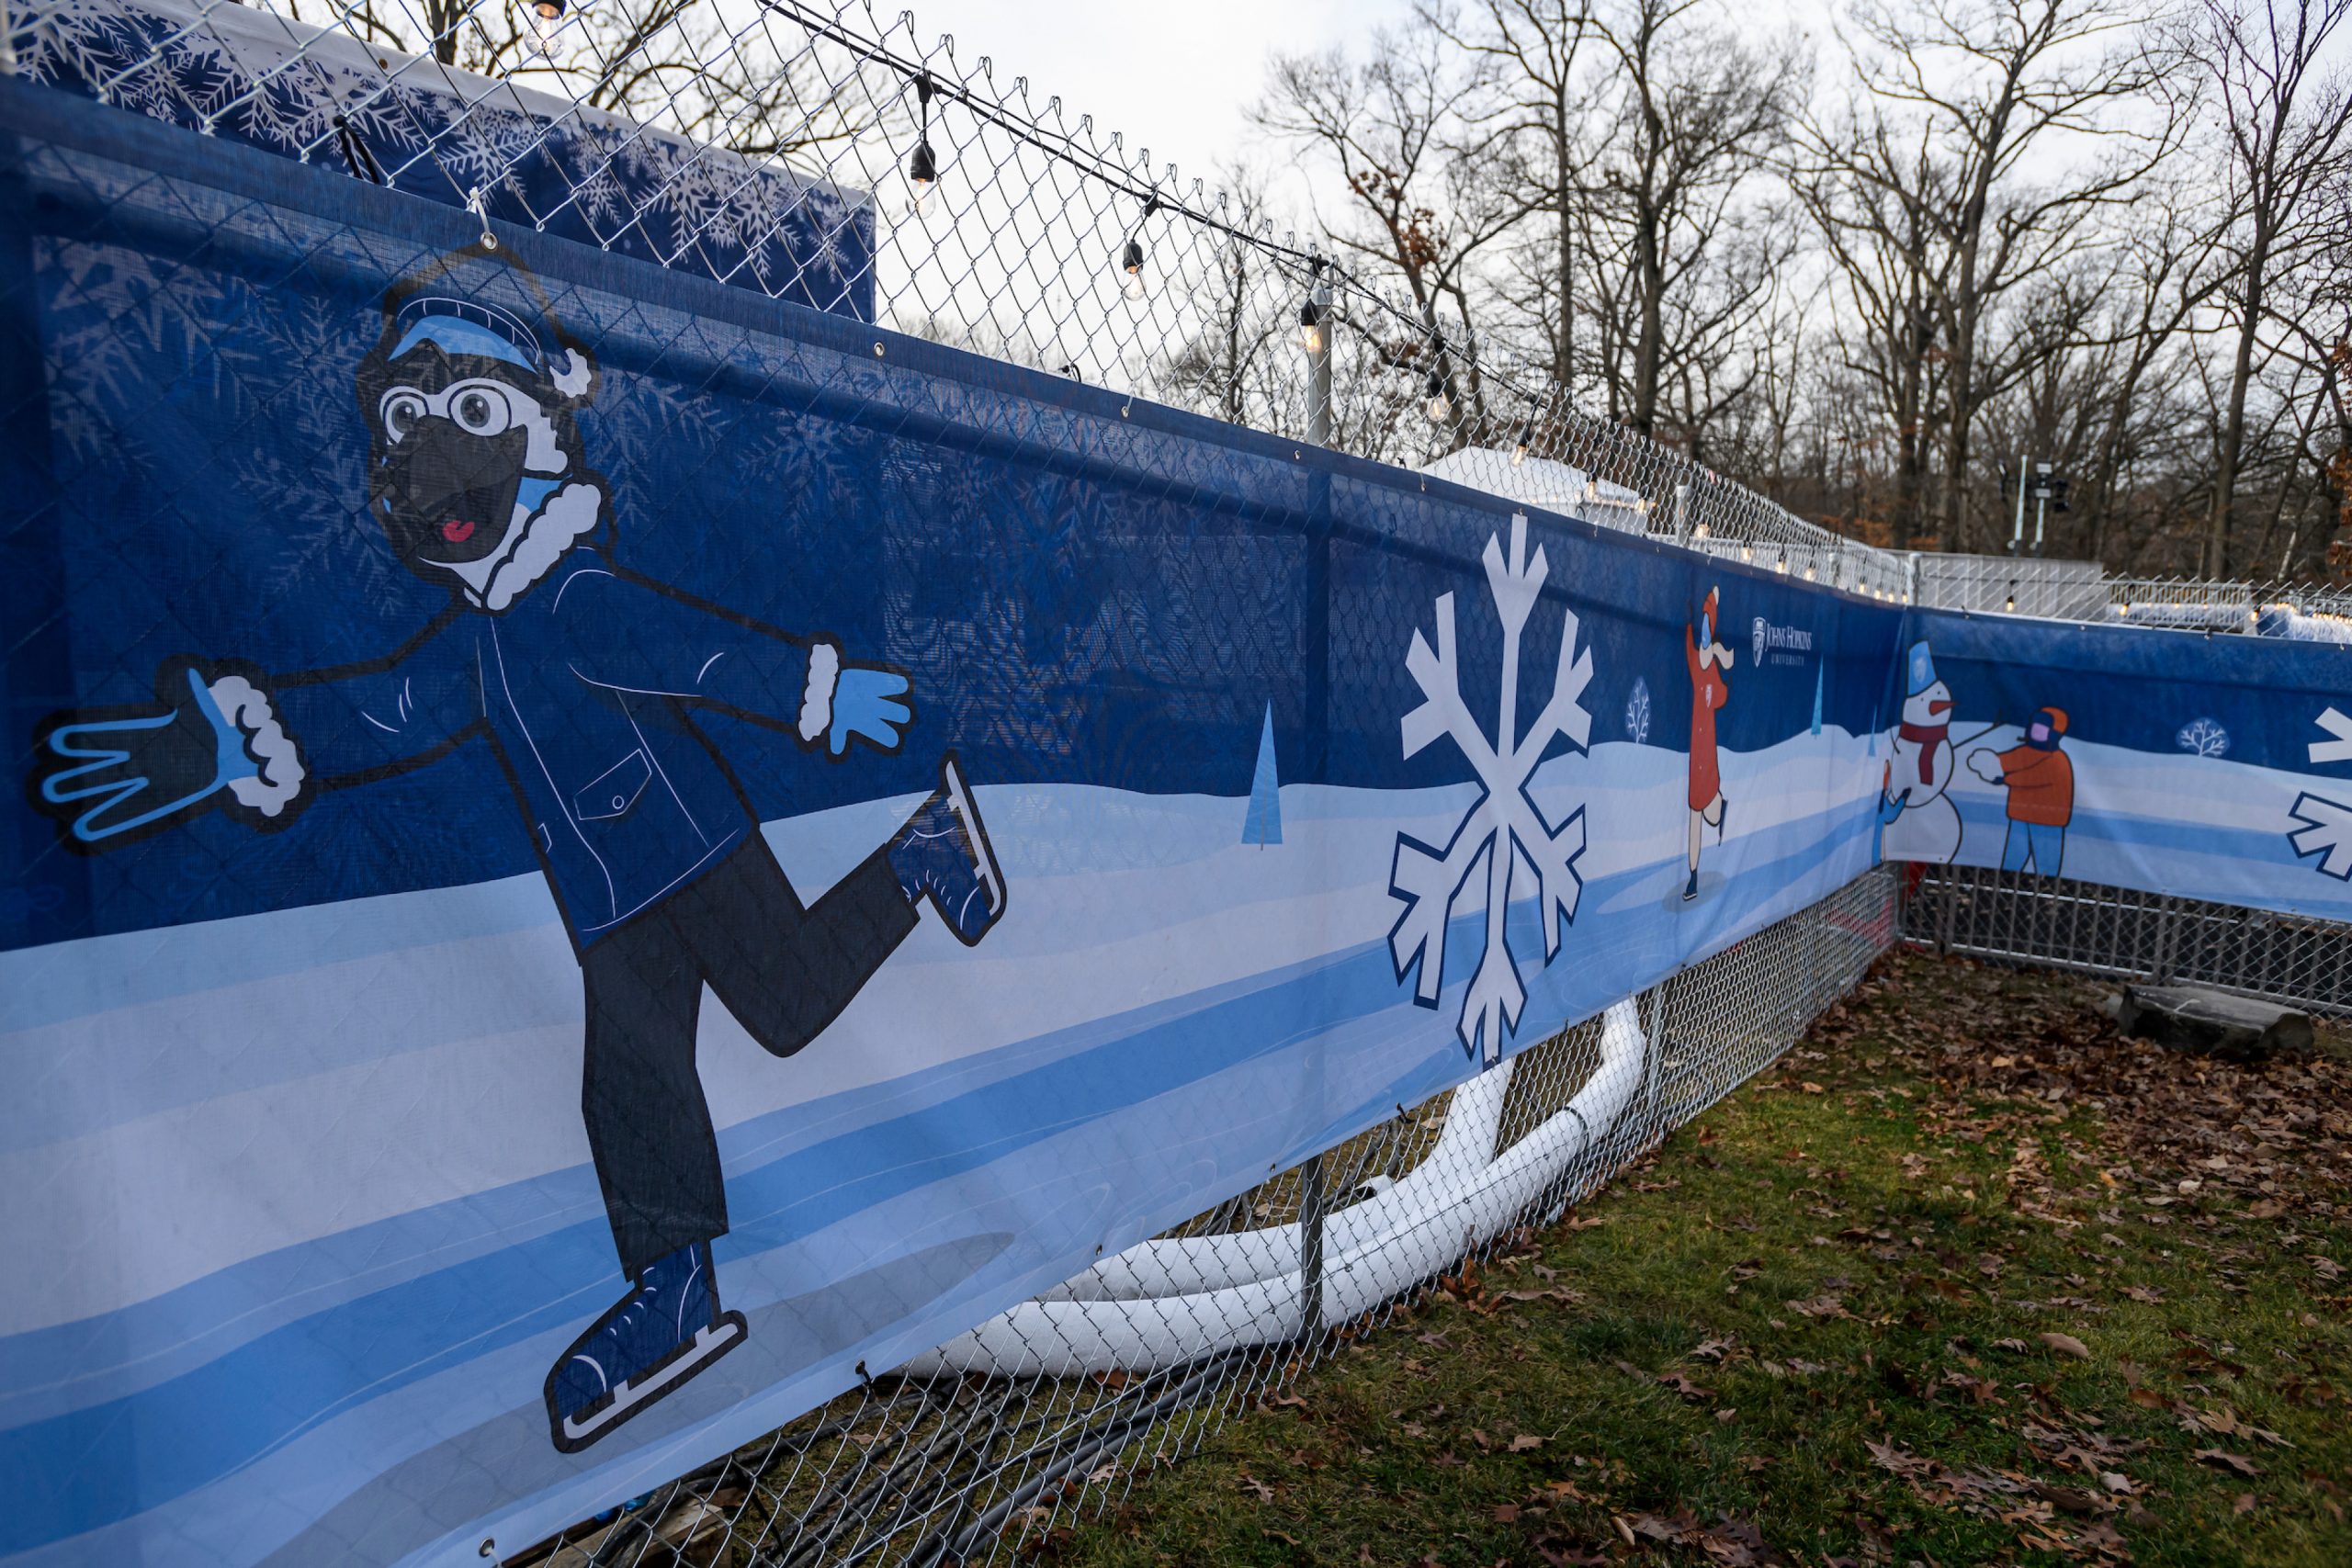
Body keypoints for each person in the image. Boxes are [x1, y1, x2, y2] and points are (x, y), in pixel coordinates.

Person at [28, 247, 1009, 1453]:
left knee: (790, 1003)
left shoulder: (570, 596)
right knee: (629, 1086)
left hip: (687, 850)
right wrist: (234, 744)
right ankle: (678, 1289)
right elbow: (388, 706)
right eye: (408, 417)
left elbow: (689, 648)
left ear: (540, 428)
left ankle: (923, 849)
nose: (432, 454)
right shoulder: (480, 632)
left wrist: (812, 691)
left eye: (473, 411)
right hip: (606, 900)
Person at [1967, 706, 2075, 877]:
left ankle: (2046, 892)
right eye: (2035, 727)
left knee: (2046, 863)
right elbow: (2010, 760)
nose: (2037, 731)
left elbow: (2034, 777)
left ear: (2054, 733)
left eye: (2044, 729)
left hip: (2048, 819)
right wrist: (1991, 762)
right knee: (2013, 859)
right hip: (2020, 814)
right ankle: (2005, 885)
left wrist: (2004, 780)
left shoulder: (2057, 759)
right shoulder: (2026, 751)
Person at [1683, 586, 1733, 900]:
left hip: (1709, 751)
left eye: (1707, 626)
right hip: (1694, 752)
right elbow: (1689, 640)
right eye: (1701, 624)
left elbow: (1723, 695)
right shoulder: (1693, 657)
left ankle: (1720, 806)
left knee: (1710, 812)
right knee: (1694, 814)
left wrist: (1720, 655)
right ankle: (1693, 876)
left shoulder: (1713, 669)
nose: (1703, 631)